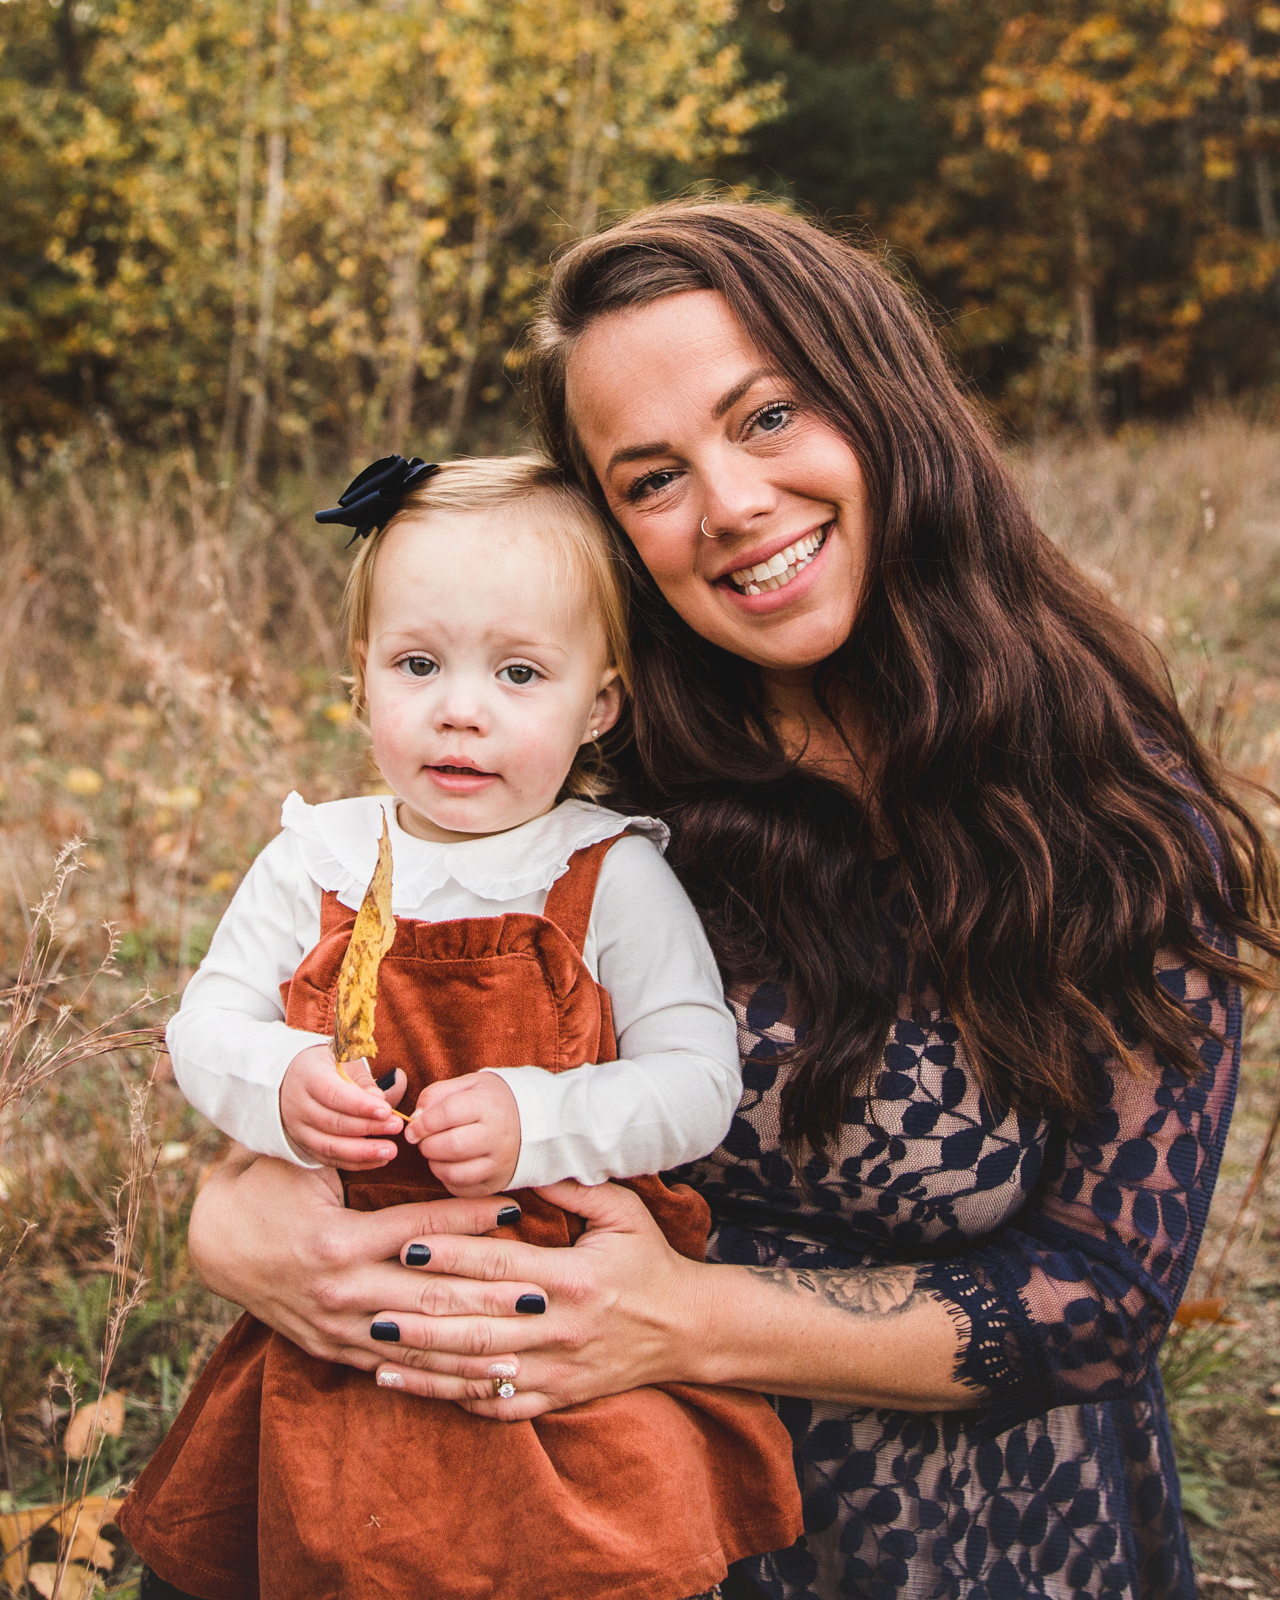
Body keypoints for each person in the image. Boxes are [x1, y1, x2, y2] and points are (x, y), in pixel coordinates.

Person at [177, 203, 1280, 1600]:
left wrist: (681, 1320)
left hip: (957, 1544)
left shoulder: (1105, 814)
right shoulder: (578, 781)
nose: (732, 504)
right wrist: (235, 1220)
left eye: (767, 417)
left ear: (884, 399)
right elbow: (351, 1059)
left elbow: (1104, 1301)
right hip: (571, 1522)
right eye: (651, 479)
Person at [117, 453, 802, 1600]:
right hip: (343, 1310)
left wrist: (541, 1118)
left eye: (520, 672)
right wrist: (282, 1079)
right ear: (361, 680)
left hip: (554, 1323)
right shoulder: (318, 856)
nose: (459, 708)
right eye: (417, 663)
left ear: (599, 703)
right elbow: (206, 1024)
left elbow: (694, 1081)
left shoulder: (605, 870)